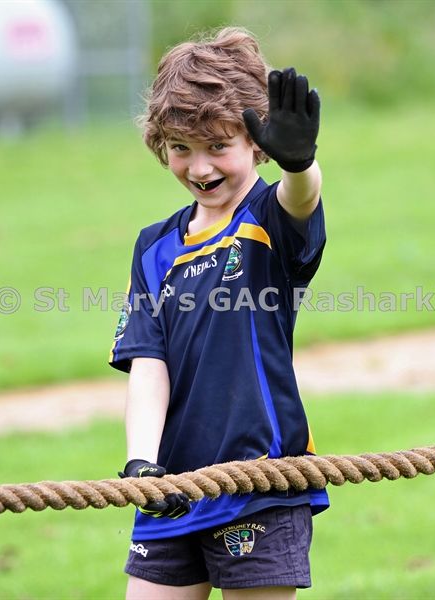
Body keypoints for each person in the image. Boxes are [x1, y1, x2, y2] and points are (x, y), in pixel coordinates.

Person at [109, 26, 328, 600]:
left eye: (217, 146)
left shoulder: (266, 218)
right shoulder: (153, 247)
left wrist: (300, 164)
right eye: (180, 147)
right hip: (171, 487)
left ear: (257, 141)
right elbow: (148, 364)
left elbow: (300, 197)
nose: (199, 166)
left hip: (261, 484)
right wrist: (141, 464)